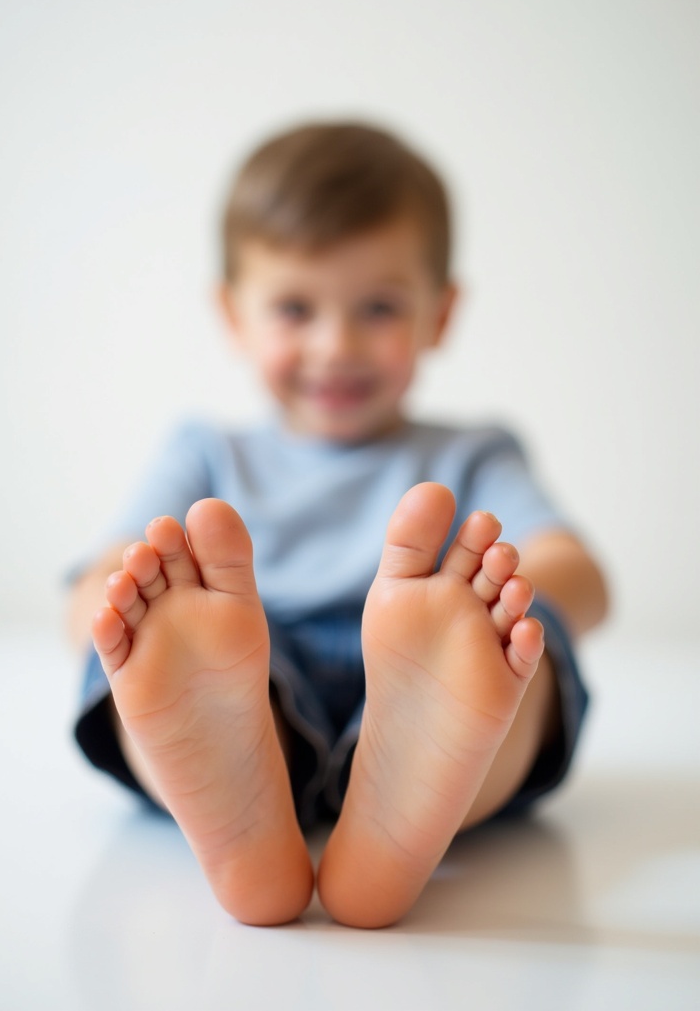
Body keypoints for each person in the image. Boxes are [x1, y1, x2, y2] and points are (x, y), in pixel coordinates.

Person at [67, 121, 608, 930]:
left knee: (516, 659)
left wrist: (491, 605)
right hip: (250, 668)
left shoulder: (473, 452)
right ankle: (238, 789)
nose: (336, 344)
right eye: (294, 307)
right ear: (233, 314)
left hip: (425, 664)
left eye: (378, 306)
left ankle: (407, 810)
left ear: (441, 312)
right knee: (140, 661)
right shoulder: (205, 451)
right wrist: (119, 625)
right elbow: (100, 582)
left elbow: (581, 580)